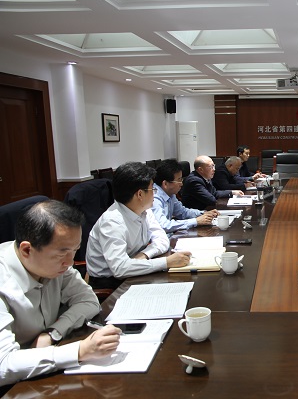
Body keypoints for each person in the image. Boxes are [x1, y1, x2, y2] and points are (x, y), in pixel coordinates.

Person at [0, 200, 121, 387]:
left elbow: (89, 301)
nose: (70, 262)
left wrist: (53, 333)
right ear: (26, 250)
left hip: (42, 371)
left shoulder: (55, 265)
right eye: (61, 254)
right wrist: (80, 351)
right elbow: (4, 364)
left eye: (75, 251)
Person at [86, 162, 191, 289]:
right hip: (110, 283)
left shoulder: (144, 210)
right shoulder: (112, 222)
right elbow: (120, 269)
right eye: (153, 189)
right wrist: (166, 262)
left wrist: (144, 255)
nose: (155, 193)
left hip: (136, 269)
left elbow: (162, 239)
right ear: (140, 194)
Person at [151, 158, 218, 233]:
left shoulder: (170, 193)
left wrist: (203, 213)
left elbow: (182, 212)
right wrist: (196, 221)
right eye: (179, 180)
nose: (182, 184)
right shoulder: (154, 198)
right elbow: (163, 226)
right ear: (165, 184)